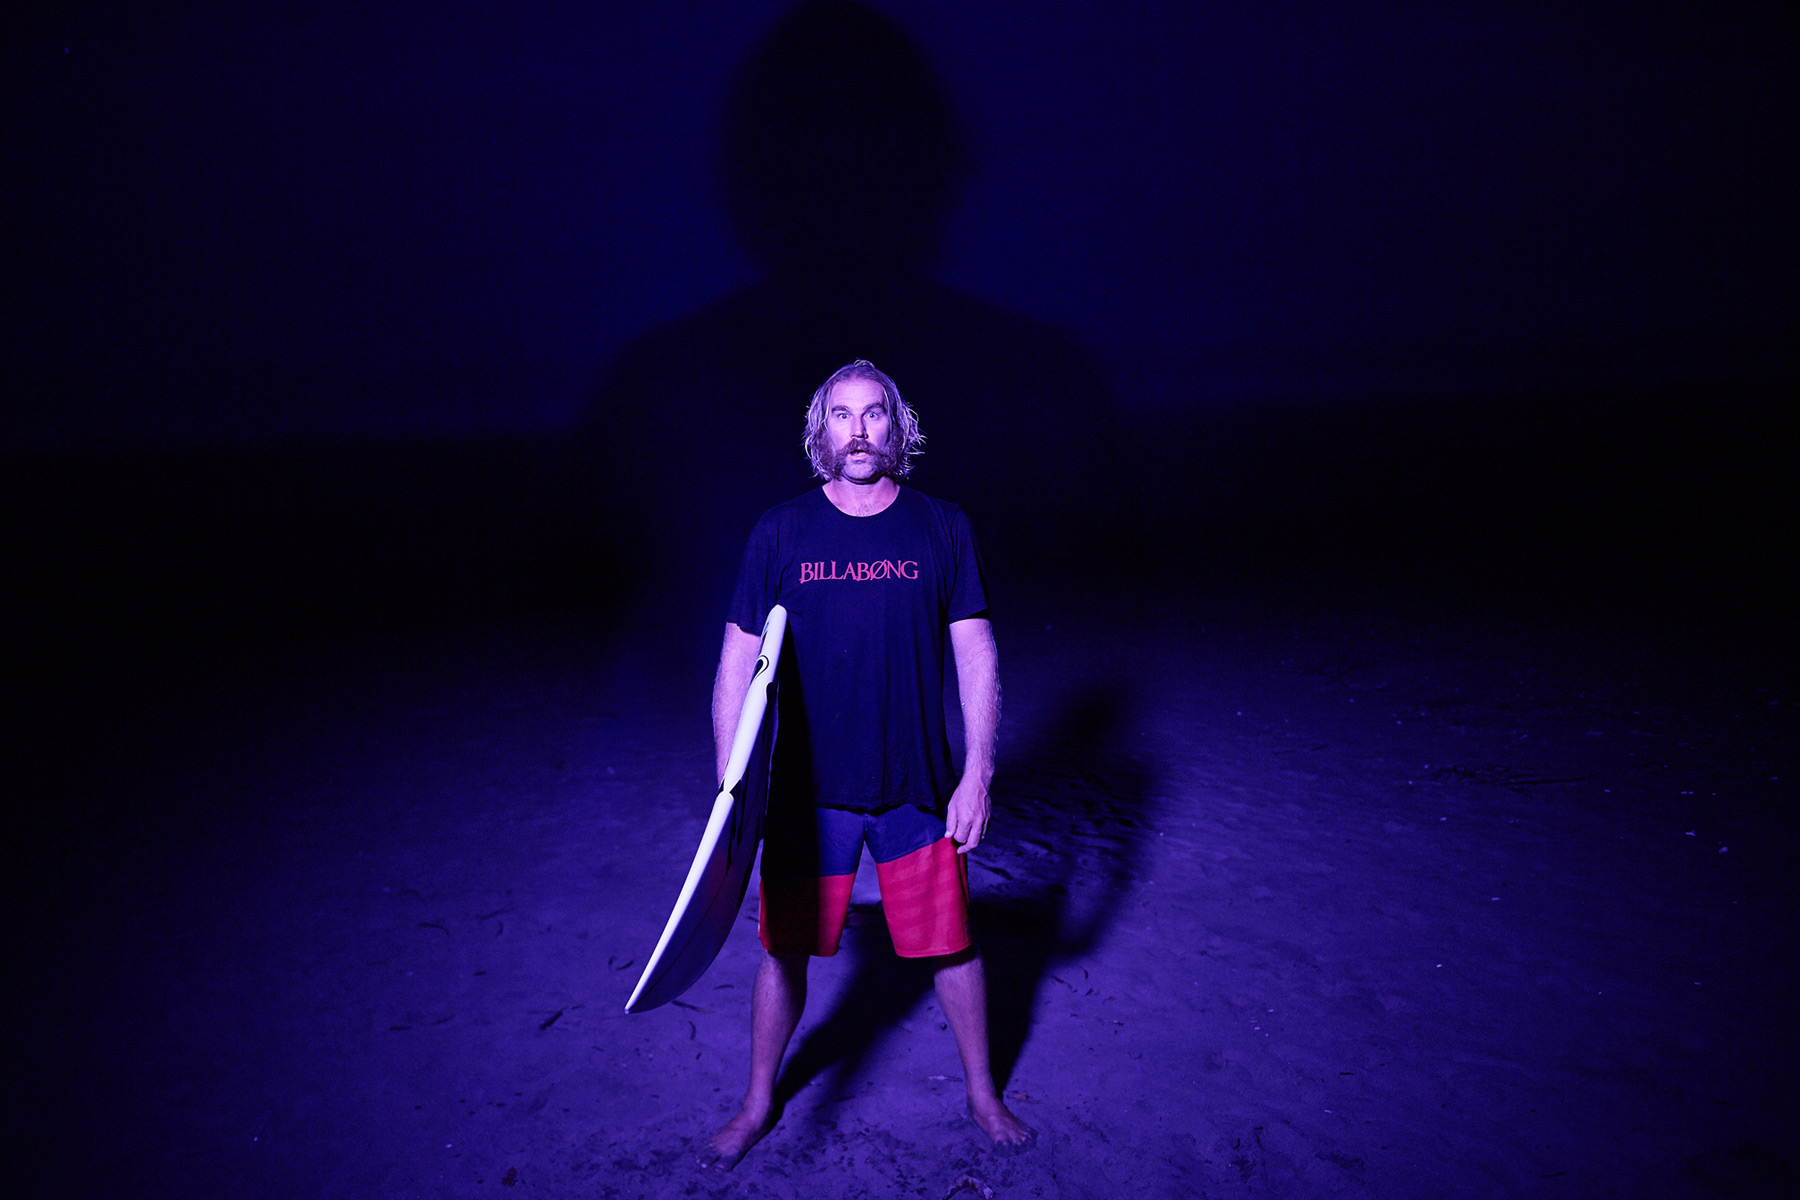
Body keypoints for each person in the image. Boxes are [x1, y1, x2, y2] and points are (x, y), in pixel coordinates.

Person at [700, 359, 1034, 1169]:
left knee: (951, 946)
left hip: (917, 786)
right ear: (820, 433)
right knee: (784, 952)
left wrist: (978, 774)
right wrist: (732, 789)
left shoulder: (941, 526)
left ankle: (983, 1093)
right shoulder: (781, 531)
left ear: (897, 426)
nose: (857, 431)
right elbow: (736, 662)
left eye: (873, 413)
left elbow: (976, 653)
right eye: (841, 415)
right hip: (805, 793)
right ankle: (757, 1101)